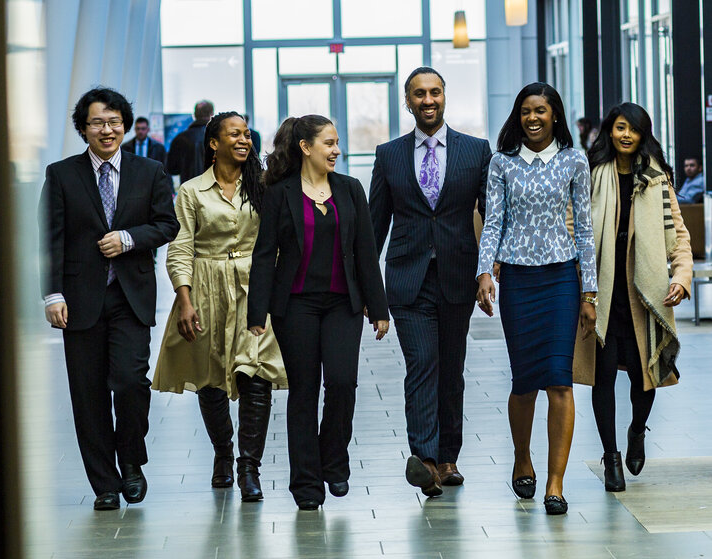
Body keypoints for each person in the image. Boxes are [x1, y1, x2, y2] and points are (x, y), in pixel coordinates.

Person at [39, 88, 179, 511]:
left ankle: (132, 462)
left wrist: (130, 238)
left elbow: (166, 225)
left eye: (114, 121)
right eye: (98, 122)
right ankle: (104, 482)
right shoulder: (61, 174)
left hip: (130, 296)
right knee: (88, 393)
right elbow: (49, 238)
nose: (107, 129)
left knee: (131, 381)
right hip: (79, 300)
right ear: (83, 128)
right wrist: (52, 294)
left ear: (125, 126)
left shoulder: (149, 171)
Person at [248, 114, 390, 510]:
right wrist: (257, 313)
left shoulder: (349, 189)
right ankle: (306, 484)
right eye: (329, 143)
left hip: (343, 304)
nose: (337, 150)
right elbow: (264, 254)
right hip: (295, 306)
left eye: (338, 142)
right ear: (305, 147)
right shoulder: (280, 193)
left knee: (343, 383)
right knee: (304, 392)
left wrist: (378, 309)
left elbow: (365, 251)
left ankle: (334, 460)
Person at [369, 66, 491, 497]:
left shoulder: (476, 151)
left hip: (458, 277)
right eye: (418, 94)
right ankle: (423, 458)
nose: (428, 100)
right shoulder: (388, 155)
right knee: (422, 364)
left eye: (434, 92)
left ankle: (447, 458)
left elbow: (491, 218)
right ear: (408, 102)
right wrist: (369, 292)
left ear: (445, 96)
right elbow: (373, 226)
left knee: (451, 369)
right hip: (408, 279)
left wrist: (486, 272)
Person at [476, 82, 597, 516]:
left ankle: (555, 483)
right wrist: (485, 271)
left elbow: (584, 230)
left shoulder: (574, 161)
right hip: (520, 285)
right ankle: (522, 456)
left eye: (541, 111)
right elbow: (493, 223)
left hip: (562, 278)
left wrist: (589, 292)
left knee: (559, 380)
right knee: (525, 380)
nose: (533, 118)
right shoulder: (502, 164)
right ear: (518, 116)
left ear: (555, 116)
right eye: (526, 111)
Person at [152, 112, 286, 502]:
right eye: (235, 134)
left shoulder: (264, 186)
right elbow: (180, 247)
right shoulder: (192, 192)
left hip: (255, 287)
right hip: (207, 287)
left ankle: (249, 466)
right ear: (213, 143)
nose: (245, 140)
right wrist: (184, 298)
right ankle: (223, 454)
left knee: (255, 374)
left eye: (247, 134)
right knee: (210, 377)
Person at [574, 103, 692, 492]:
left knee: (646, 378)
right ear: (609, 131)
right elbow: (574, 227)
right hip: (604, 291)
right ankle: (611, 458)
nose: (626, 135)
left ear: (644, 135)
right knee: (602, 376)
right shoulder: (592, 174)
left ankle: (637, 431)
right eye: (620, 127)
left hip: (645, 293)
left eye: (634, 130)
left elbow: (679, 238)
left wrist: (682, 277)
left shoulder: (657, 179)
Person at [123, 116, 173, 196]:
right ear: (135, 129)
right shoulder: (126, 147)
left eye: (143, 129)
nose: (140, 131)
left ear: (148, 129)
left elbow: (165, 169)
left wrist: (170, 189)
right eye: (138, 129)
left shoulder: (158, 148)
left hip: (152, 184)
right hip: (132, 185)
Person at [167, 100, 214, 184]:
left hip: (189, 190)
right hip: (212, 190)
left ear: (194, 115)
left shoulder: (180, 139)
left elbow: (172, 169)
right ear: (211, 114)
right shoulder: (218, 137)